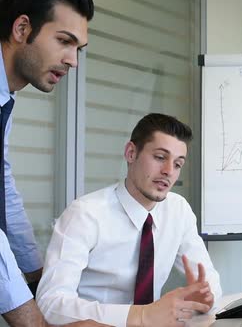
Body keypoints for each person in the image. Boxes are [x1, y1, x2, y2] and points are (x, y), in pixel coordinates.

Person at [37, 113, 223, 326]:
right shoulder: (85, 214)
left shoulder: (178, 210)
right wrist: (139, 316)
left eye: (178, 164)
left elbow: (208, 281)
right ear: (131, 153)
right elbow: (50, 304)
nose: (168, 171)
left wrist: (206, 299)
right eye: (160, 157)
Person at [0, 0, 108, 326]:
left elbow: (2, 189)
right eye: (64, 41)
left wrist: (38, 279)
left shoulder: (5, 99)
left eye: (79, 48)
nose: (73, 60)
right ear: (22, 28)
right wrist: (35, 322)